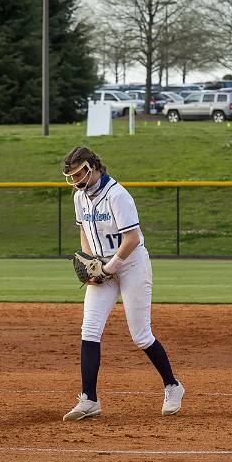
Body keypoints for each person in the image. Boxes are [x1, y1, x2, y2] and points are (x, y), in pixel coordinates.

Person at [61, 146, 184, 421]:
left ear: (93, 167)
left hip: (130, 265)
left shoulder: (117, 195)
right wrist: (91, 263)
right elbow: (84, 229)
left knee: (141, 335)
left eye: (80, 173)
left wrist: (109, 267)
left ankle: (173, 386)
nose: (77, 180)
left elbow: (132, 239)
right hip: (103, 267)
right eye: (72, 176)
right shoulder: (79, 197)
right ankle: (89, 399)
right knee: (89, 330)